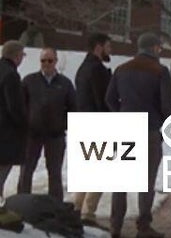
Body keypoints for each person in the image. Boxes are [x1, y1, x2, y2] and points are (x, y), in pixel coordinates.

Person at [106, 33, 171, 238]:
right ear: (153, 48)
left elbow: (109, 98)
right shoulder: (160, 71)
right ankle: (143, 227)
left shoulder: (121, 69)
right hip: (149, 130)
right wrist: (158, 119)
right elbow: (168, 104)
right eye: (159, 47)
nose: (160, 51)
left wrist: (122, 113)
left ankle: (115, 226)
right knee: (146, 181)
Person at [18, 47, 76, 200]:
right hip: (32, 134)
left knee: (55, 173)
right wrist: (26, 123)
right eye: (43, 60)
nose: (46, 64)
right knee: (26, 170)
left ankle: (55, 205)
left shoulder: (65, 83)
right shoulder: (29, 81)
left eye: (50, 61)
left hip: (55, 135)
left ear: (55, 61)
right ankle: (22, 203)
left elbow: (73, 107)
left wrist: (63, 124)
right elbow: (20, 105)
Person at [73, 32, 113, 224]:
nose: (110, 50)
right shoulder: (97, 70)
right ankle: (88, 213)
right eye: (108, 46)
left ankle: (77, 208)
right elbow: (103, 100)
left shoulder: (82, 68)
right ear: (99, 47)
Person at [0, 41, 28, 196]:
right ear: (17, 56)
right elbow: (15, 108)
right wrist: (25, 125)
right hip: (5, 136)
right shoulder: (11, 75)